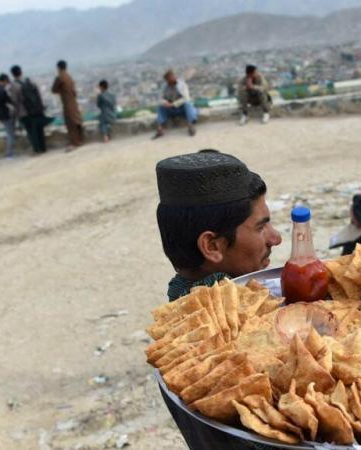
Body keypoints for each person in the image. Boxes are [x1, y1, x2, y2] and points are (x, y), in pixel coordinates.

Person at [155, 150, 283, 449]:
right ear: (212, 245)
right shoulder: (227, 361)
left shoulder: (179, 322)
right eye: (261, 226)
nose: (275, 238)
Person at [9, 65, 50, 154]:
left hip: (24, 112)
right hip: (35, 110)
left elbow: (14, 100)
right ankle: (43, 148)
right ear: (21, 72)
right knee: (39, 130)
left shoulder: (14, 86)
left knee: (31, 132)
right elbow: (37, 94)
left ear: (12, 74)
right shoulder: (29, 81)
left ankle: (37, 150)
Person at [152, 69, 197, 139]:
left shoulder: (181, 85)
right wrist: (165, 102)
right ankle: (160, 129)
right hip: (171, 109)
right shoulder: (165, 87)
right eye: (169, 78)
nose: (172, 78)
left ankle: (190, 126)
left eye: (172, 77)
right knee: (160, 107)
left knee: (187, 104)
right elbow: (160, 98)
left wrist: (173, 104)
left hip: (182, 108)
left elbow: (186, 98)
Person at [52, 60, 84, 149]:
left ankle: (75, 142)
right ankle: (80, 140)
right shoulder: (69, 76)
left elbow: (53, 89)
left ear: (58, 68)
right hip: (73, 102)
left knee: (71, 123)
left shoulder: (60, 77)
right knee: (77, 121)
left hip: (67, 103)